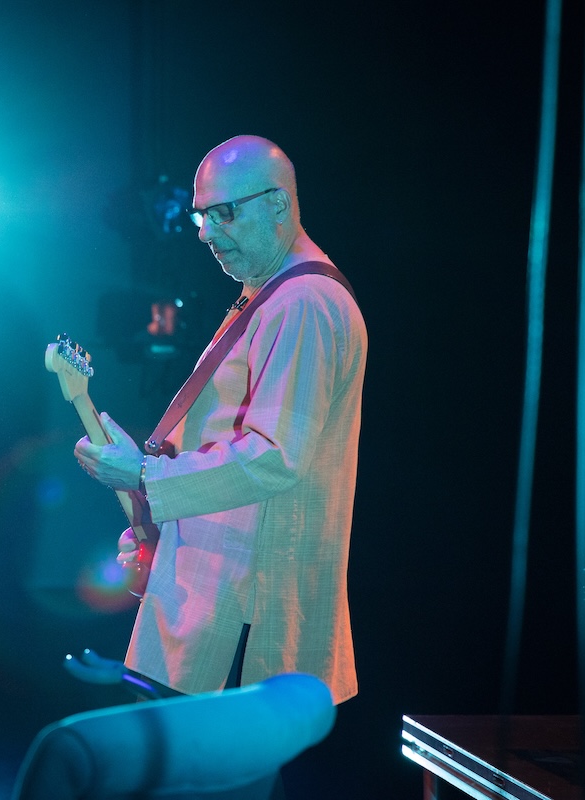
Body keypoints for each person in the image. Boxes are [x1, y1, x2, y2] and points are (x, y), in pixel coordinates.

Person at [74, 135, 366, 704]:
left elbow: (274, 458)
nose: (206, 233)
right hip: (219, 598)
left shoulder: (303, 302)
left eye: (224, 213)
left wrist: (146, 476)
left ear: (278, 204)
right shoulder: (274, 295)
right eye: (201, 216)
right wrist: (161, 518)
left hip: (243, 611)